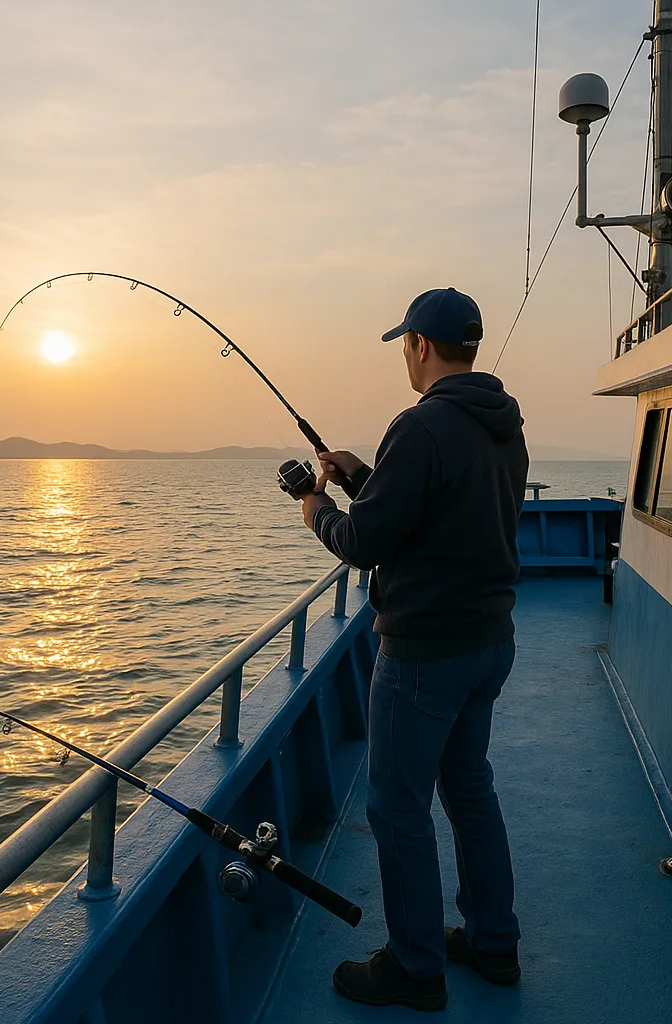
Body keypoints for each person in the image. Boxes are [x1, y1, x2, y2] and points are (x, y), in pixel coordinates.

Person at [298, 287, 529, 1011]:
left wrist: (318, 509)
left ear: (421, 346)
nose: (405, 353)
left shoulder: (420, 424)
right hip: (488, 642)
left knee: (398, 809)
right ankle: (493, 944)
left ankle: (415, 968)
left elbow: (365, 542)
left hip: (425, 654)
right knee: (469, 791)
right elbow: (441, 511)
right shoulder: (504, 423)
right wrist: (365, 476)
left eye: (405, 342)